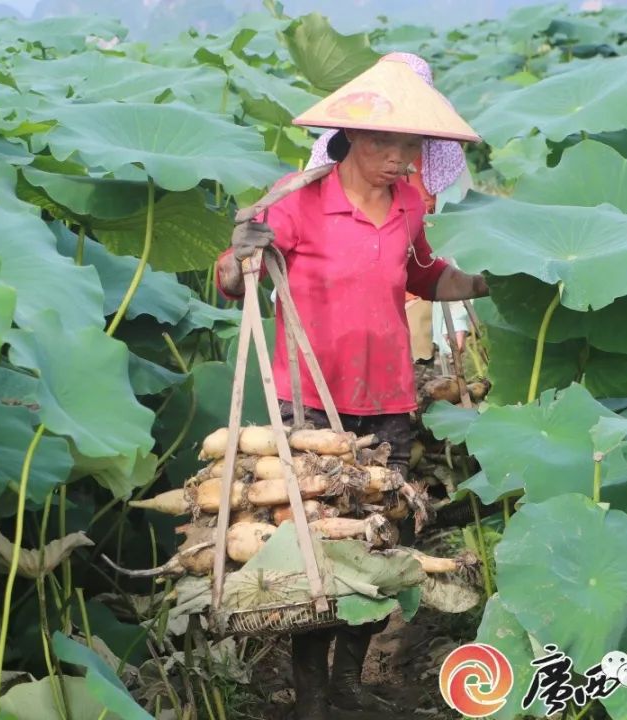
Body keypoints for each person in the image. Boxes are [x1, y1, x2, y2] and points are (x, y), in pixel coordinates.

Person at [214, 52, 488, 719]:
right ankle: (309, 692)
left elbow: (427, 277)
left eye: (412, 145)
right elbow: (230, 278)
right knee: (315, 555)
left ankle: (348, 682)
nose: (401, 157)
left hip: (390, 401)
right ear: (354, 140)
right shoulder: (299, 200)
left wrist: (494, 277)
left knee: (379, 548)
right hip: (308, 402)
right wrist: (239, 253)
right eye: (387, 143)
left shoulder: (411, 206)